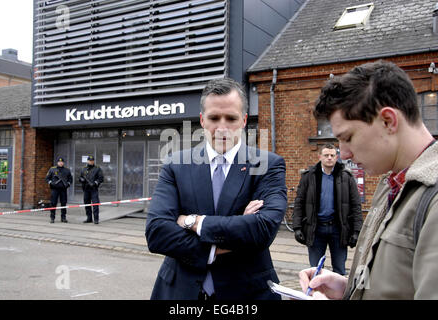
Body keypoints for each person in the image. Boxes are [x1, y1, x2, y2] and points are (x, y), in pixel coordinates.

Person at [299, 60, 438, 299]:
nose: (343, 154)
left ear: (388, 121)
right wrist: (348, 288)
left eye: (348, 137)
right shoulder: (390, 185)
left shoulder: (431, 197)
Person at [145, 78, 287, 300]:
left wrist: (191, 222)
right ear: (202, 120)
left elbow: (263, 228)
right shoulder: (176, 164)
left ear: (243, 121)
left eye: (231, 118)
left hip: (246, 294)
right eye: (214, 118)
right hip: (180, 292)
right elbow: (156, 233)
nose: (222, 127)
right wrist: (226, 238)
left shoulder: (267, 165)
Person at [292, 144, 362, 275]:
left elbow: (356, 205)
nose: (329, 158)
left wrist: (356, 231)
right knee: (315, 271)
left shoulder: (346, 177)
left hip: (339, 229)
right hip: (315, 229)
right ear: (320, 157)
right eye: (326, 155)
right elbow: (299, 203)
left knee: (340, 270)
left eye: (332, 155)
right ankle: (317, 294)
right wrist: (297, 228)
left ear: (337, 157)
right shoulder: (309, 176)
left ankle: (338, 295)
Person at [45, 156, 73, 223]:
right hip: (55, 189)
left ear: (63, 163)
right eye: (59, 162)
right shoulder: (52, 169)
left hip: (63, 189)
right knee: (53, 203)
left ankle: (63, 218)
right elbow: (47, 178)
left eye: (62, 162)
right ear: (57, 162)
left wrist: (68, 184)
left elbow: (70, 179)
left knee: (63, 203)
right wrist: (51, 183)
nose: (61, 163)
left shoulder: (67, 170)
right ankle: (52, 217)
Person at [79, 155, 104, 224]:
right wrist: (82, 180)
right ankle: (89, 218)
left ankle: (96, 219)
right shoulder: (83, 169)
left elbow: (101, 178)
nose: (91, 162)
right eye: (90, 160)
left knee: (95, 204)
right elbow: (80, 177)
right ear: (87, 161)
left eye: (92, 160)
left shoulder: (97, 169)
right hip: (86, 189)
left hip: (93, 189)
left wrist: (95, 183)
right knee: (87, 204)